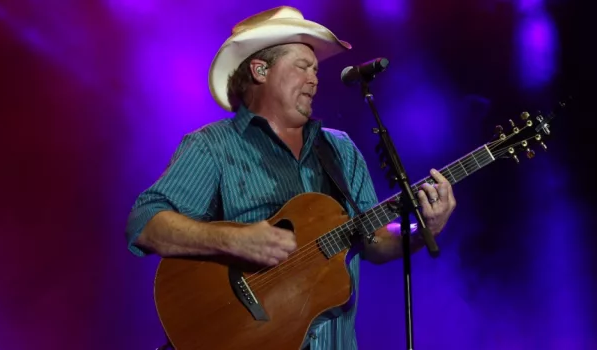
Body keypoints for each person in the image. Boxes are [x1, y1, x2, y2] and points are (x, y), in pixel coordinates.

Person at [125, 5, 456, 350]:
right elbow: (144, 224)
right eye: (302, 67)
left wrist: (423, 230)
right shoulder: (212, 146)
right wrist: (235, 240)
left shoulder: (340, 149)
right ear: (260, 69)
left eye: (315, 69)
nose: (315, 78)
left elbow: (371, 240)